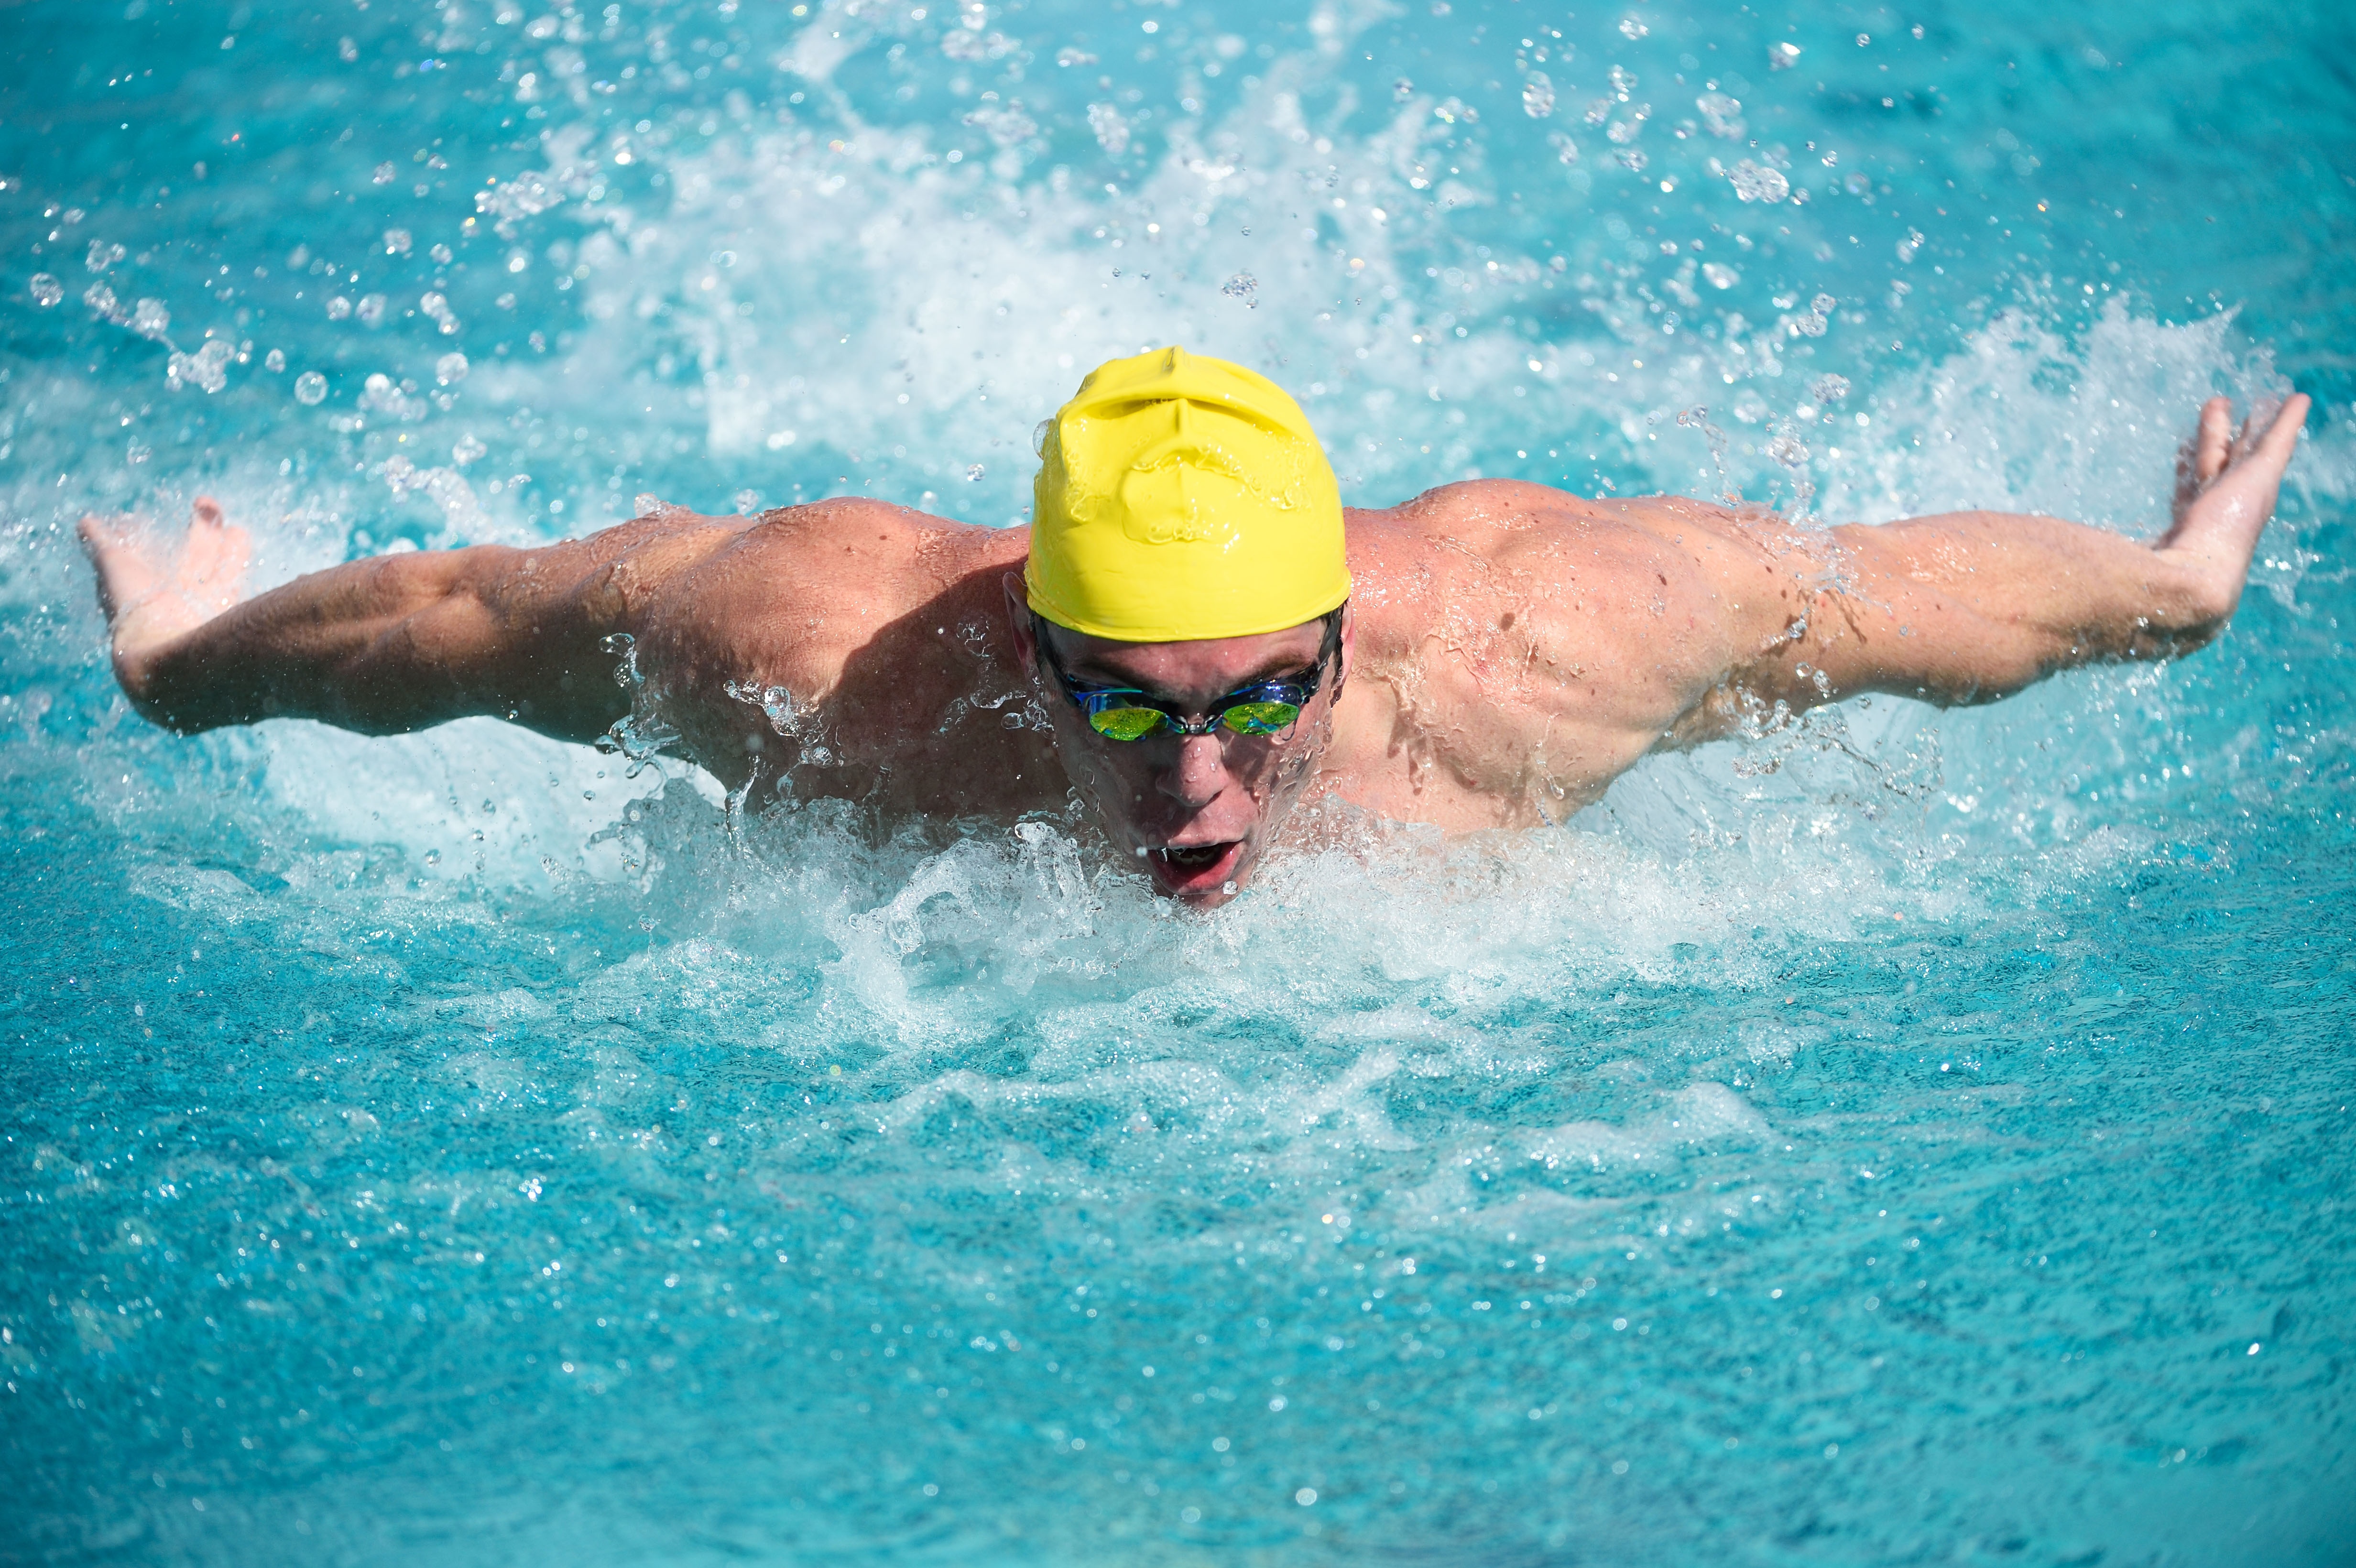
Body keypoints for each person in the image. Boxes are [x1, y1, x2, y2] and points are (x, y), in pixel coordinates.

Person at [80, 347, 2310, 907]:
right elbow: (470, 614)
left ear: (1347, 629)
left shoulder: (1560, 632)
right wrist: (183, 662)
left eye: (1264, 692)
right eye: (1127, 707)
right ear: (1016, 646)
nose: (1202, 778)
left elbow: (1903, 593)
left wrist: (2175, 590)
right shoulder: (827, 654)